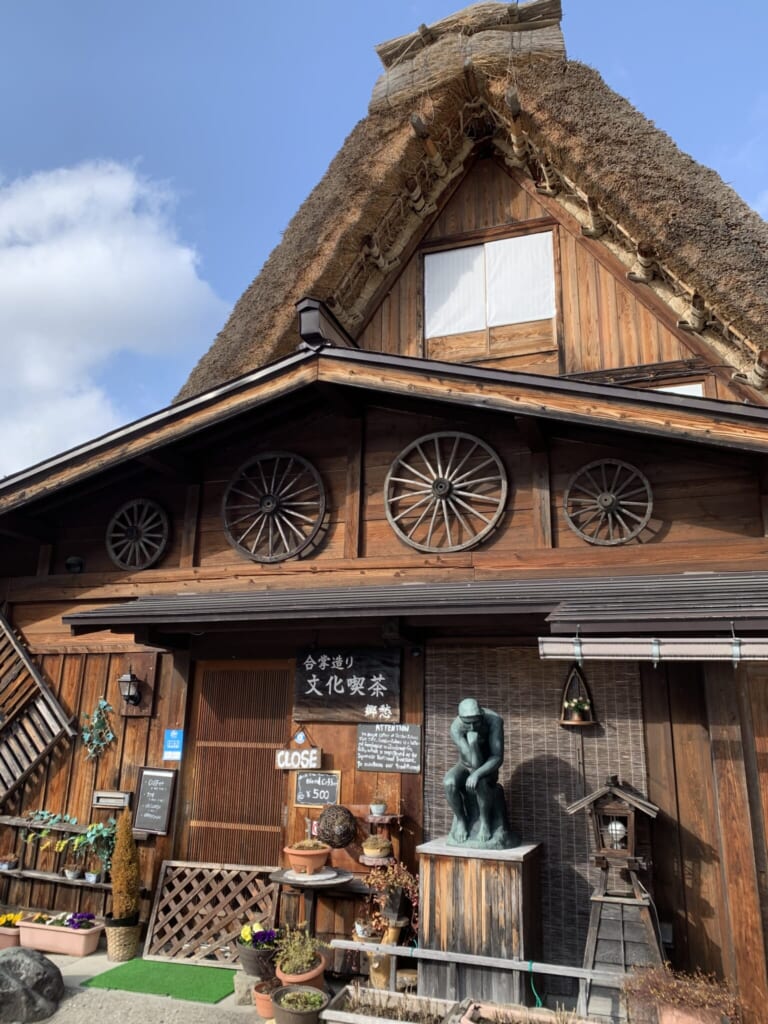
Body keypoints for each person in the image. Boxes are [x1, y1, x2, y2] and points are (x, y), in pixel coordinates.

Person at [444, 697, 504, 844]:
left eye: (476, 722)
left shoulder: (494, 721)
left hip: (488, 767)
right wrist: (472, 744)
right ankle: (461, 820)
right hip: (466, 765)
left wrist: (477, 774)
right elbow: (471, 762)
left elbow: (497, 757)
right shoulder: (456, 727)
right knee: (449, 783)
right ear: (460, 718)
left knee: (481, 782)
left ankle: (485, 822)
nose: (472, 728)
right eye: (467, 723)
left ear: (482, 715)